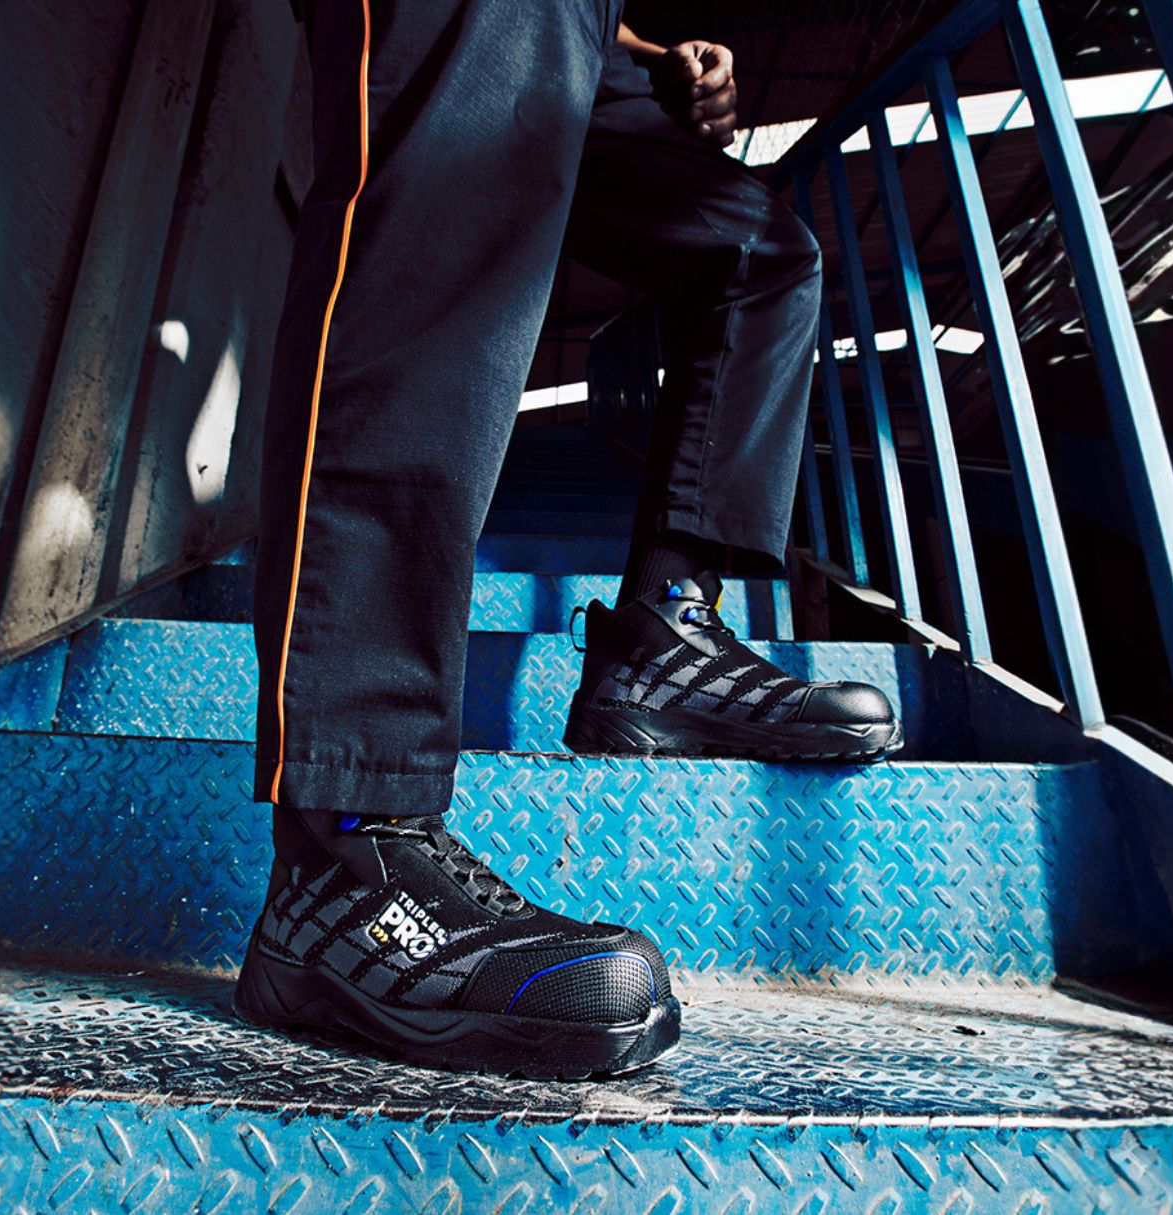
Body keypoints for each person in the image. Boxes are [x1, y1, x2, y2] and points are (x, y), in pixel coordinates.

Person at [234, 0, 901, 1079]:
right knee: (445, 225)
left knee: (762, 251)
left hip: (590, 37)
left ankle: (664, 635)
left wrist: (649, 53)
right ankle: (343, 854)